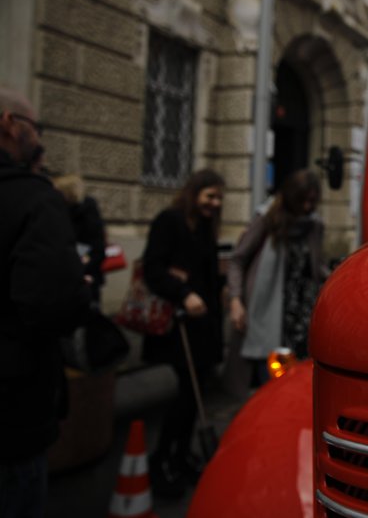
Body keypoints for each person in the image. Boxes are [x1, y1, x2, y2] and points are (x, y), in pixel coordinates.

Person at [0, 87, 90, 518]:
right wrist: (80, 287)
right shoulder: (33, 198)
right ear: (9, 123)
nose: (41, 141)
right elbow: (56, 305)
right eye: (36, 129)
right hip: (12, 420)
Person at [142, 168, 225, 498]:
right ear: (195, 194)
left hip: (202, 326)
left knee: (195, 393)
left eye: (219, 198)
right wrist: (183, 292)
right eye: (210, 197)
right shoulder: (170, 220)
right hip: (179, 326)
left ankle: (180, 456)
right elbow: (153, 270)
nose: (215, 204)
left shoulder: (204, 227)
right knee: (186, 395)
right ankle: (162, 459)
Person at [225, 169, 327, 397]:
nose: (308, 207)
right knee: (271, 387)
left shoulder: (314, 225)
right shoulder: (267, 219)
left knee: (298, 386)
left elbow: (316, 266)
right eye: (303, 200)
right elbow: (237, 260)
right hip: (270, 314)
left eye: (313, 201)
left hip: (302, 316)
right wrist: (235, 299)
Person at [52, 174, 107, 308]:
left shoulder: (85, 212)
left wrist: (81, 265)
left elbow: (96, 246)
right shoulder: (65, 211)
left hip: (85, 275)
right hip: (75, 273)